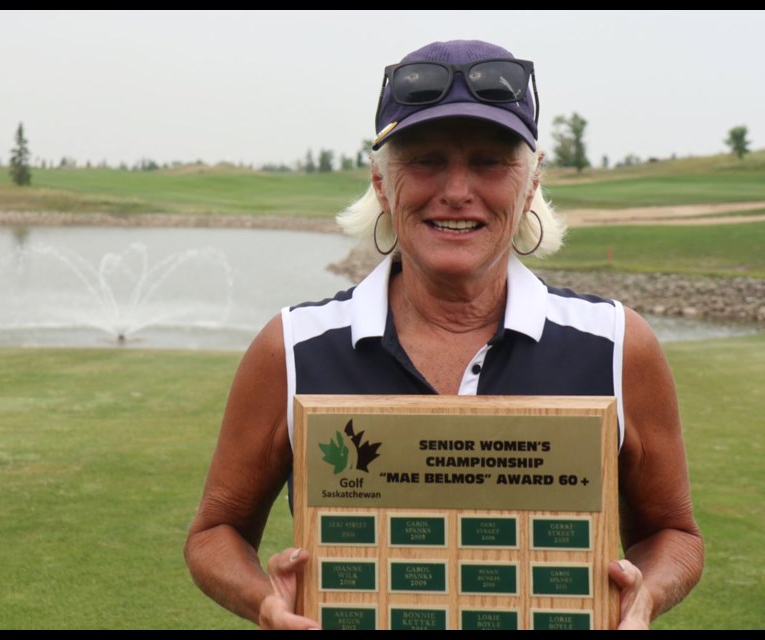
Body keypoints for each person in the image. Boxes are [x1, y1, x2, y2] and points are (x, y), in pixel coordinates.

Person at [184, 39, 703, 630]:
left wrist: (645, 597)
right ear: (382, 183)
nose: (457, 191)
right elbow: (214, 532)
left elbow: (674, 533)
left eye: (489, 162)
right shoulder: (293, 346)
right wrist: (265, 602)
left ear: (531, 183)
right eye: (426, 160)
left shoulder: (616, 343)